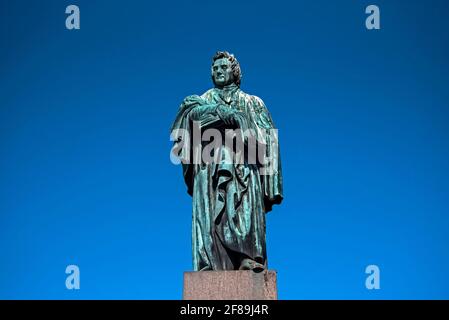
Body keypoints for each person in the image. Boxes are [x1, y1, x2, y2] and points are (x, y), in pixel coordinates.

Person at [171, 51, 283, 272]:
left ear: (235, 71)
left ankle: (247, 258)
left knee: (243, 214)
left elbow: (268, 140)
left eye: (223, 67)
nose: (218, 71)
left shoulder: (253, 102)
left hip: (245, 167)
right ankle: (211, 264)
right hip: (210, 168)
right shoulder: (203, 99)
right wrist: (223, 114)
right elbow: (185, 122)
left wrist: (271, 184)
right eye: (215, 69)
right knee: (212, 219)